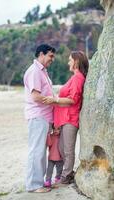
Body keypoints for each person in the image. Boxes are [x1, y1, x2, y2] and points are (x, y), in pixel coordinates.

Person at [43, 51, 89, 185]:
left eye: (70, 60)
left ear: (76, 62)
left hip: (71, 118)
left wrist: (55, 99)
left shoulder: (77, 78)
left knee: (67, 149)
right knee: (62, 148)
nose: (68, 62)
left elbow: (73, 100)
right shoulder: (74, 77)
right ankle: (69, 173)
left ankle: (67, 175)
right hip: (64, 118)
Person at [23, 44, 56, 193]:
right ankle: (34, 185)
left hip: (43, 118)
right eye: (50, 56)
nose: (52, 59)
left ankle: (37, 183)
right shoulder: (35, 71)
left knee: (40, 151)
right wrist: (54, 100)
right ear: (41, 54)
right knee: (36, 151)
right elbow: (35, 96)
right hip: (38, 116)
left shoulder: (42, 72)